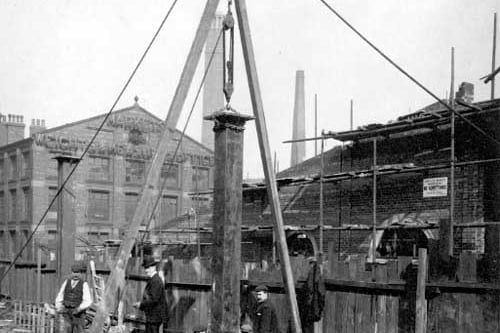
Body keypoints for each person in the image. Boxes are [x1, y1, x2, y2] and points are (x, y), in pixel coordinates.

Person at [55, 262, 92, 333]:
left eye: (77, 272)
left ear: (80, 273)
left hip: (78, 314)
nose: (75, 274)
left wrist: (79, 309)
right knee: (66, 330)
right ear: (71, 273)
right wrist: (59, 307)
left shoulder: (84, 284)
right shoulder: (66, 282)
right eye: (74, 272)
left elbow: (87, 300)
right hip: (66, 312)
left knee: (79, 330)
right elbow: (60, 296)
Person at [133, 256, 168, 333]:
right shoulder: (153, 279)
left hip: (154, 318)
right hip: (152, 317)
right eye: (145, 268)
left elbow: (153, 299)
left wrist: (141, 305)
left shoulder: (155, 280)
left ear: (153, 267)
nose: (146, 270)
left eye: (148, 268)